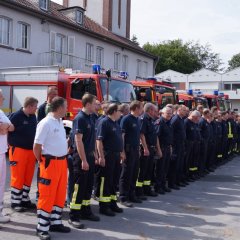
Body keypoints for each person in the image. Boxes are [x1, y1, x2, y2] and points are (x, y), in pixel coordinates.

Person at [33, 97, 70, 240]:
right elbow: (36, 146)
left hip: (61, 162)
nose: (67, 109)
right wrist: (41, 161)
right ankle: (41, 228)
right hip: (50, 163)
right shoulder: (45, 123)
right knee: (47, 195)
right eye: (65, 106)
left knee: (60, 194)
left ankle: (55, 222)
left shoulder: (59, 121)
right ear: (59, 107)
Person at [69, 93, 100, 229]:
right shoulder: (80, 118)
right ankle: (74, 215)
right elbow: (78, 141)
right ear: (87, 104)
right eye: (94, 103)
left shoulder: (91, 117)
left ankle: (85, 210)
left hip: (90, 156)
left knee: (88, 185)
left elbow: (92, 139)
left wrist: (95, 155)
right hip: (82, 157)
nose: (96, 106)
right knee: (79, 187)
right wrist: (84, 160)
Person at [8, 97, 38, 212]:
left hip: (30, 151)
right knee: (18, 176)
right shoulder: (16, 116)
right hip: (18, 151)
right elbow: (7, 129)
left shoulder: (33, 116)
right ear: (29, 106)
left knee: (28, 176)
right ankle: (15, 202)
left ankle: (24, 199)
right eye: (35, 106)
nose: (36, 109)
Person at [96, 103, 124, 216]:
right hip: (108, 155)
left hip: (116, 155)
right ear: (113, 111)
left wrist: (121, 152)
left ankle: (112, 203)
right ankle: (104, 206)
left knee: (114, 180)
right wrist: (101, 156)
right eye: (119, 111)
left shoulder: (116, 123)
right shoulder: (104, 122)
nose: (121, 113)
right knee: (106, 181)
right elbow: (99, 141)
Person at [119, 101, 143, 207]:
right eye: (141, 107)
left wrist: (138, 149)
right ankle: (123, 197)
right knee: (126, 174)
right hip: (128, 150)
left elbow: (137, 136)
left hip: (135, 150)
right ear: (137, 108)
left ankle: (131, 194)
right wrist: (122, 151)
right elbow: (122, 136)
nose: (142, 109)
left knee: (134, 172)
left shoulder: (137, 120)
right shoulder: (126, 119)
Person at [136, 103, 161, 198]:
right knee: (142, 170)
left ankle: (147, 188)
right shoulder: (143, 119)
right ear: (150, 110)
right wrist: (145, 148)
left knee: (149, 170)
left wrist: (157, 149)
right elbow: (142, 135)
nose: (155, 113)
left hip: (151, 148)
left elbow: (155, 136)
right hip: (145, 149)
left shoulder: (151, 120)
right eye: (154, 111)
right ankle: (138, 191)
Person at [0, 90, 14, 223]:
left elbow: (12, 127)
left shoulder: (0, 112)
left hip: (2, 152)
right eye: (2, 96)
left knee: (1, 184)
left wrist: (4, 127)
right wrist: (2, 127)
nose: (3, 98)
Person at [154, 106, 173, 194]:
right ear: (162, 113)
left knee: (165, 168)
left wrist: (170, 147)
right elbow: (156, 137)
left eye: (170, 113)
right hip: (161, 147)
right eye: (168, 113)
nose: (169, 115)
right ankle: (158, 187)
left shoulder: (168, 122)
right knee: (160, 168)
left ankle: (163, 185)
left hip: (167, 147)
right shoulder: (159, 122)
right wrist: (158, 149)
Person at [169, 105, 187, 189]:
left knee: (179, 164)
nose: (185, 112)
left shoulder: (181, 119)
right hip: (176, 145)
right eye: (184, 110)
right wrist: (172, 145)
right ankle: (172, 183)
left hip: (181, 144)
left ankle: (177, 181)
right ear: (179, 110)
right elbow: (171, 132)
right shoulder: (175, 119)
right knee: (175, 165)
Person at [198, 109, 211, 176]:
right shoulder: (201, 121)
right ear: (206, 114)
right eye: (209, 113)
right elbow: (199, 131)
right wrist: (202, 140)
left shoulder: (205, 121)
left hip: (206, 142)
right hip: (203, 143)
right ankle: (200, 172)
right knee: (202, 157)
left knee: (204, 157)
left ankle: (203, 170)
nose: (210, 115)